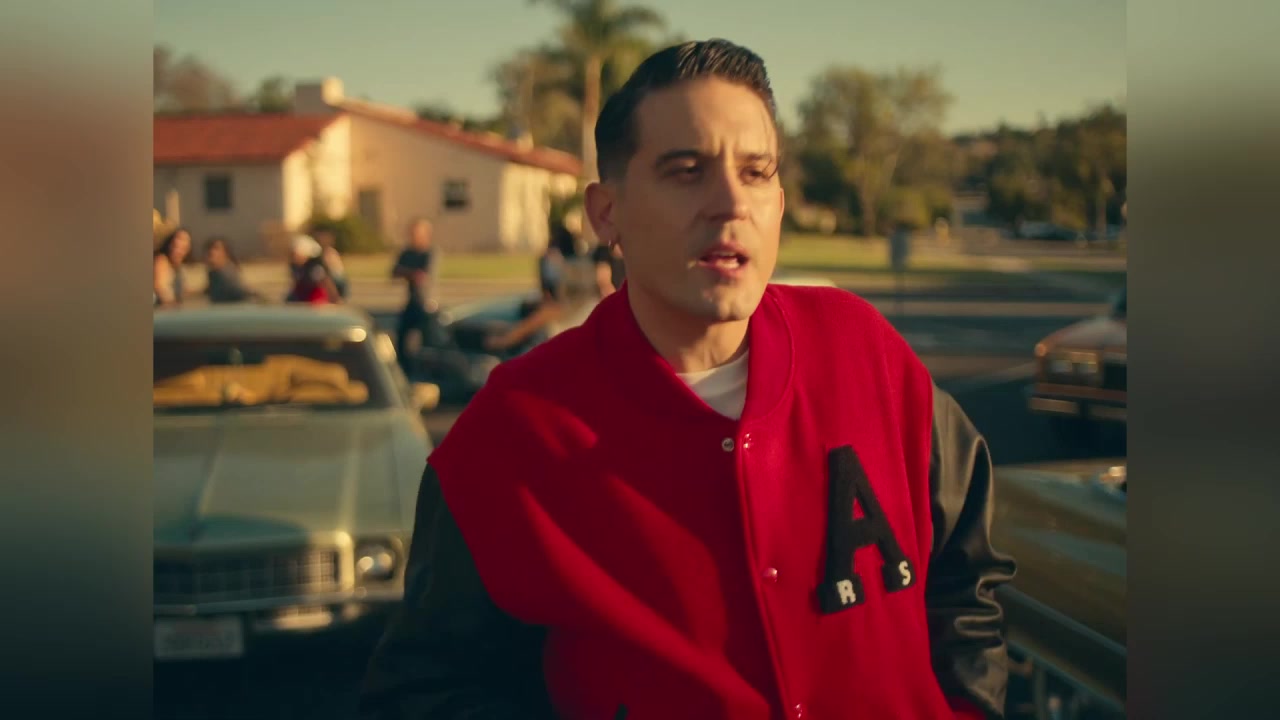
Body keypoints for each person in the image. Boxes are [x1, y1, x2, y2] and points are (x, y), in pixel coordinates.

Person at [361, 39, 1015, 720]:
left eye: (755, 172)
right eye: (686, 171)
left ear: (779, 203)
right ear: (606, 213)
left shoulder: (867, 350)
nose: (730, 203)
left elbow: (968, 581)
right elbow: (423, 690)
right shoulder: (516, 428)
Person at [390, 218, 440, 370]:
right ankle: (404, 366)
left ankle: (428, 368)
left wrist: (407, 272)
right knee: (402, 336)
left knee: (429, 339)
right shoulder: (407, 252)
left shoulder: (430, 253)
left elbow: (422, 275)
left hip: (427, 303)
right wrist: (410, 273)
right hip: (412, 302)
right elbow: (394, 272)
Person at [285, 234, 343, 305]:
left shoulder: (315, 267)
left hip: (316, 297)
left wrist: (335, 299)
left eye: (295, 254)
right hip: (303, 295)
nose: (294, 257)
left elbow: (326, 283)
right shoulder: (295, 266)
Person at [202, 237, 260, 303]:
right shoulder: (214, 273)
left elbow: (239, 291)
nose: (211, 251)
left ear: (226, 254)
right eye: (209, 248)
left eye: (216, 248)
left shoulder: (226, 275)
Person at [153, 227, 191, 307]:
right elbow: (161, 288)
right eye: (175, 245)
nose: (178, 250)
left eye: (182, 248)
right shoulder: (161, 261)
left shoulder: (180, 268)